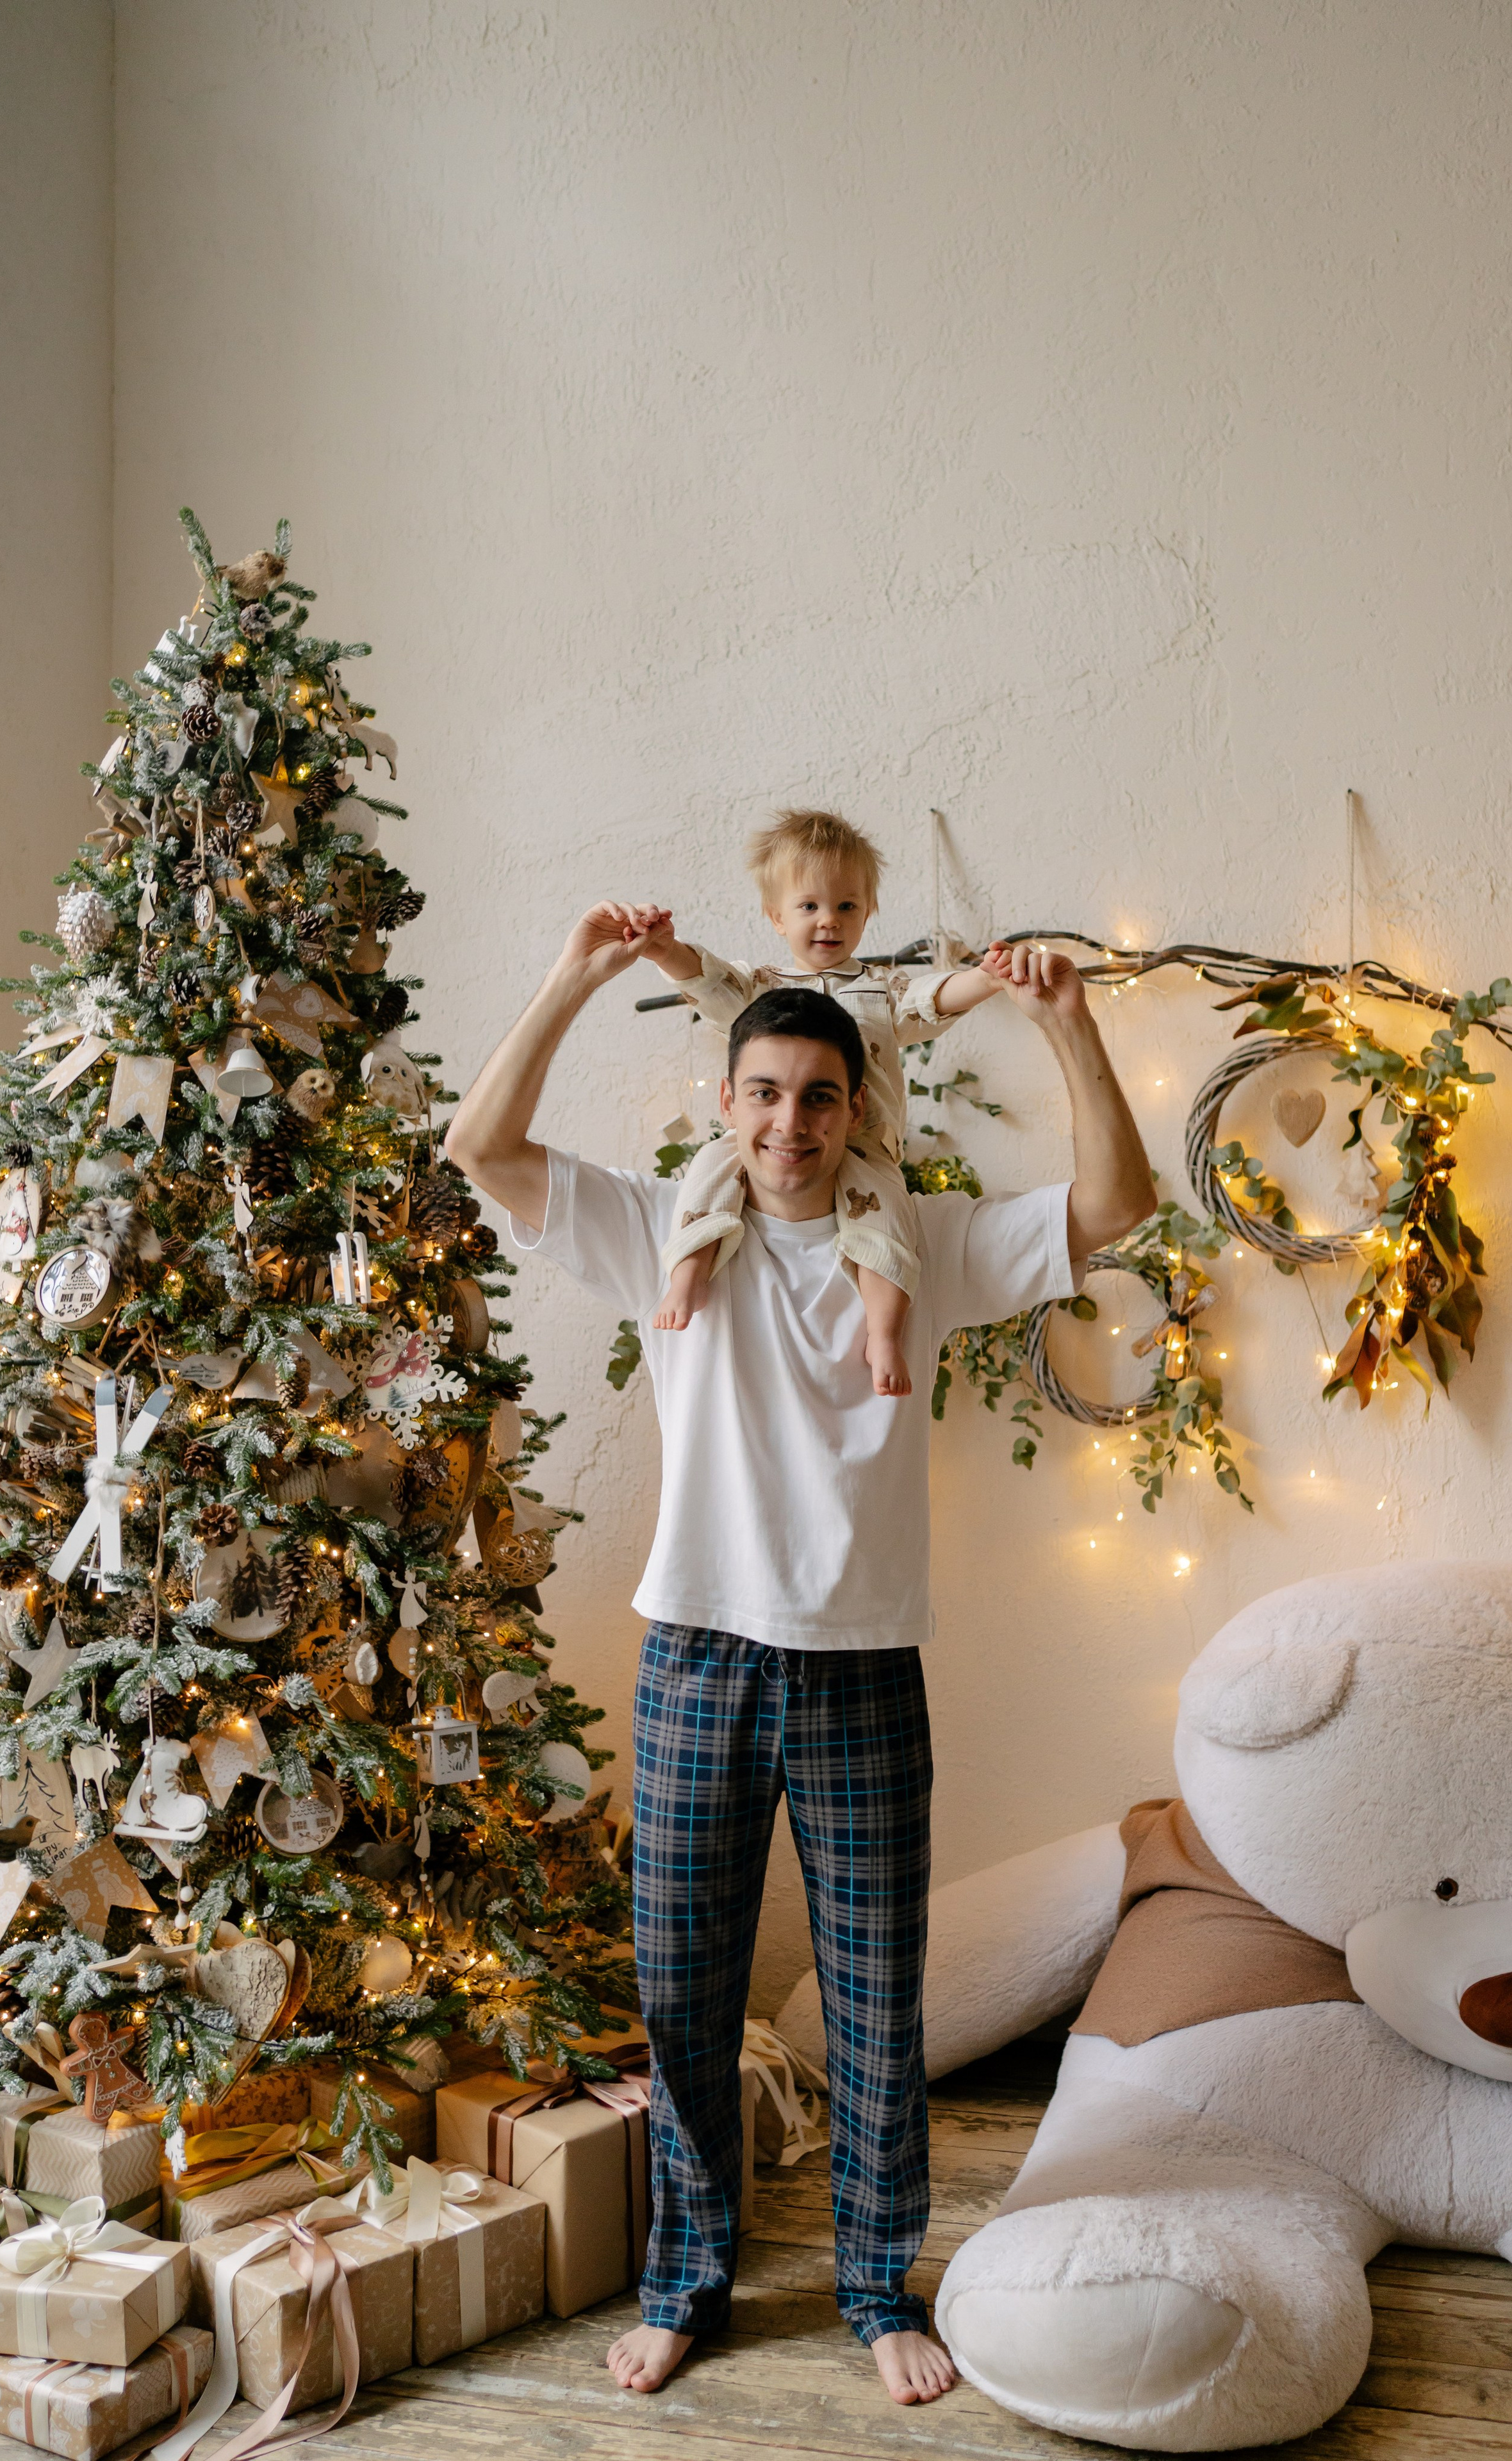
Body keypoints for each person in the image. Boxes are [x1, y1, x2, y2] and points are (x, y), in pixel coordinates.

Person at [444, 902, 1155, 2408]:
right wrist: (573, 972)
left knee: (872, 1994)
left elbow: (1113, 1205)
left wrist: (1068, 1023)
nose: (787, 1123)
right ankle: (687, 2279)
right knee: (684, 1988)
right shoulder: (663, 1224)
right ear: (726, 1100)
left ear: (855, 1108)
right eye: (761, 1092)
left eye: (817, 1095)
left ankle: (871, 2283)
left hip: (858, 1667)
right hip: (696, 1655)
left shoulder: (926, 1238)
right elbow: (481, 1147)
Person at [645, 808, 1004, 1397]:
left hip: (862, 1150)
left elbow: (931, 999)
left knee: (892, 1223)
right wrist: (663, 950)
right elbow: (707, 979)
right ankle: (688, 1274)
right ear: (776, 915)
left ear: (869, 911)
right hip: (782, 1153)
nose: (828, 921)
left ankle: (884, 1330)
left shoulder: (880, 990)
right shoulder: (761, 987)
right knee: (711, 1166)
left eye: (847, 906)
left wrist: (986, 979)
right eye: (809, 906)